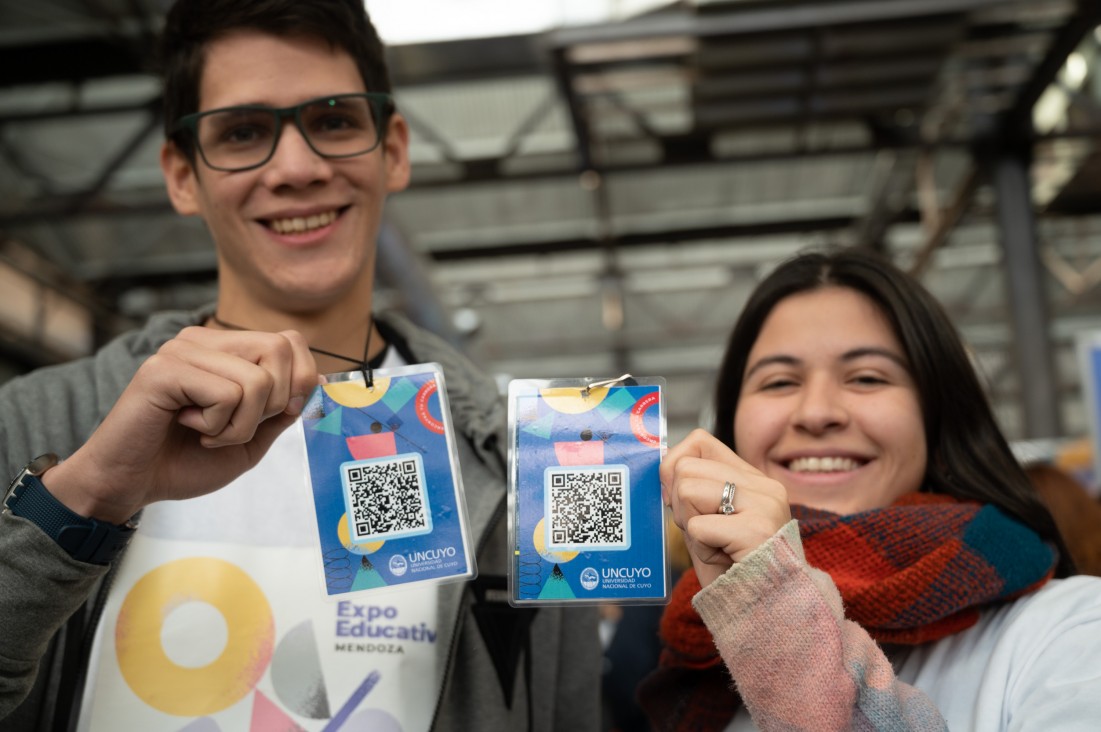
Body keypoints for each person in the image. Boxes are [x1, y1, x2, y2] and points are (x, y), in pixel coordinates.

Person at [0, 1, 600, 729]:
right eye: (244, 132)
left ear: (395, 149)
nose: (297, 167)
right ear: (181, 175)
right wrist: (83, 500)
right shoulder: (31, 427)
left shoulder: (520, 465)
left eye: (335, 120)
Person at [639, 248, 1101, 730]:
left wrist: (779, 612)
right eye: (778, 382)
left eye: (866, 377)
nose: (816, 413)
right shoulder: (696, 657)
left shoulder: (1072, 630)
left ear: (937, 415)